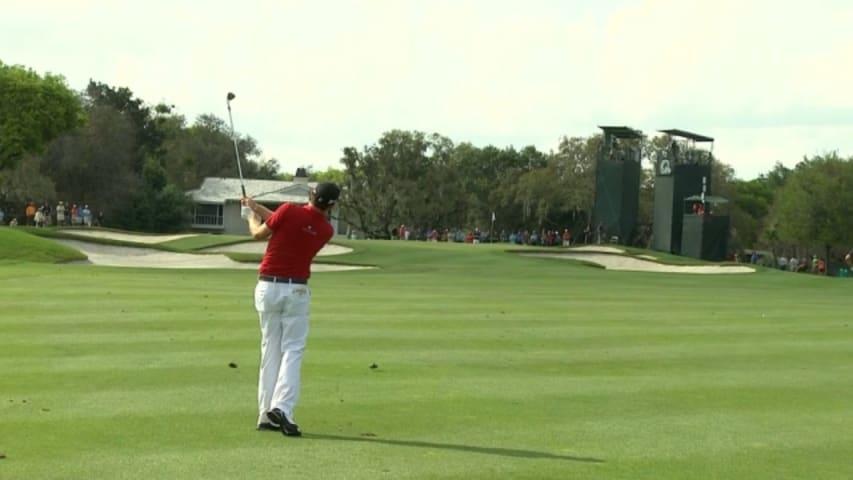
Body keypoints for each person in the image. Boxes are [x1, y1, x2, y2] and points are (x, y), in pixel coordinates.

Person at [241, 182, 341, 437]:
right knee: (293, 349)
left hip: (267, 288)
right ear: (332, 205)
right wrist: (255, 207)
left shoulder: (288, 210)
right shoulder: (325, 230)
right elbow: (283, 221)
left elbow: (258, 234)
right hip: (295, 291)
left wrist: (250, 217)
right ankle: (282, 407)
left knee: (270, 349)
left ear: (310, 195)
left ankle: (266, 413)